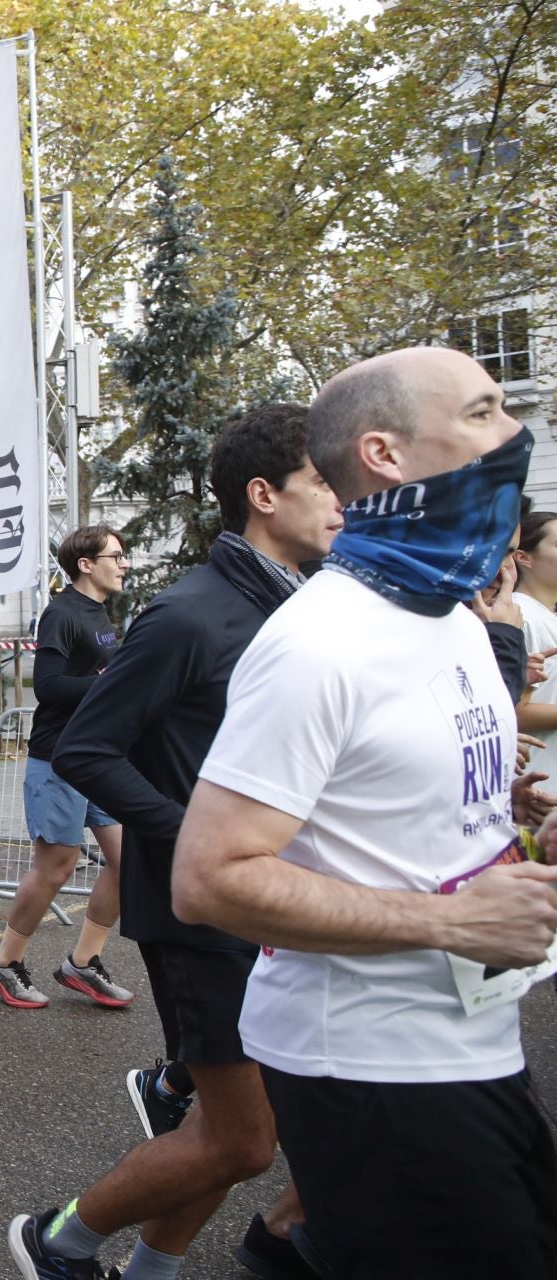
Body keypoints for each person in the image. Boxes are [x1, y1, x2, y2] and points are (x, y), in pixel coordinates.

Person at [159, 348, 557, 1278]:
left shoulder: (454, 619)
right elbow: (210, 878)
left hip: (474, 1034)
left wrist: (514, 818)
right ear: (383, 452)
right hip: (369, 1060)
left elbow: (403, 805)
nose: (514, 433)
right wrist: (449, 920)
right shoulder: (317, 643)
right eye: (483, 411)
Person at [12, 405, 342, 1280]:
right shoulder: (189, 615)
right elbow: (86, 749)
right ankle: (57, 1242)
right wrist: (197, 833)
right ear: (265, 495)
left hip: (274, 899)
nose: (343, 499)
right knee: (244, 1140)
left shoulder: (306, 608)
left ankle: (144, 1270)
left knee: (243, 1138)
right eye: (324, 481)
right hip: (200, 907)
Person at [0, 525, 133, 1010]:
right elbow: (49, 686)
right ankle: (3, 964)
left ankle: (83, 963)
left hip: (99, 755)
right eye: (116, 555)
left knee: (130, 860)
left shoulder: (98, 613)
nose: (125, 563)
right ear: (86, 564)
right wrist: (112, 684)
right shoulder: (61, 613)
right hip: (59, 757)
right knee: (56, 867)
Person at [511, 512, 557, 777]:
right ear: (524, 557)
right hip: (534, 785)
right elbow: (516, 711)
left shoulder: (543, 616)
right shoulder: (523, 616)